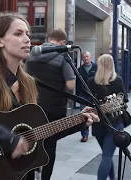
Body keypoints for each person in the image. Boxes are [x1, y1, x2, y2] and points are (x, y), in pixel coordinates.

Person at [0, 13, 99, 180]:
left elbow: (38, 135)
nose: (27, 39)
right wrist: (9, 138)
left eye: (27, 34)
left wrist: (80, 121)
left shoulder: (28, 83)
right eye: (18, 34)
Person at [26, 28, 99, 180]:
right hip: (54, 109)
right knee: (49, 147)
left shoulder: (33, 54)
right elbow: (71, 85)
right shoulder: (63, 57)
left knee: (31, 145)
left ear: (49, 38)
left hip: (31, 107)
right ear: (63, 42)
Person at [86, 54, 129, 180]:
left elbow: (89, 102)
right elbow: (124, 99)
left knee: (106, 154)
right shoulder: (118, 80)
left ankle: (113, 178)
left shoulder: (91, 82)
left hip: (98, 123)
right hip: (115, 123)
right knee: (107, 156)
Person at [77, 51, 97, 142]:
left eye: (87, 56)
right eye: (84, 57)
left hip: (95, 94)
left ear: (90, 57)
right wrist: (77, 95)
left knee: (96, 113)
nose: (86, 58)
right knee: (84, 115)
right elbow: (77, 83)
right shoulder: (79, 70)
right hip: (83, 95)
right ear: (82, 59)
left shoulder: (96, 68)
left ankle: (95, 131)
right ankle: (84, 135)